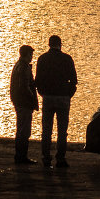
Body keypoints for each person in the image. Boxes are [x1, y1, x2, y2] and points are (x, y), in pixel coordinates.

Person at [34, 34, 77, 168]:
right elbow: (74, 81)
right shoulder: (67, 59)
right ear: (60, 44)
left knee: (46, 130)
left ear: (49, 44)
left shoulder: (42, 59)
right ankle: (60, 158)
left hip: (48, 97)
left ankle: (46, 158)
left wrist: (42, 93)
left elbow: (38, 81)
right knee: (62, 130)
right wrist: (68, 95)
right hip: (63, 97)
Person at [9, 44, 39, 164]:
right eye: (31, 54)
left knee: (20, 129)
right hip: (24, 103)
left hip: (19, 101)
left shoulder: (18, 65)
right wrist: (32, 98)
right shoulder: (24, 67)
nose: (32, 56)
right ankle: (22, 157)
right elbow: (25, 86)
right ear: (27, 55)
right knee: (24, 130)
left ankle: (19, 156)